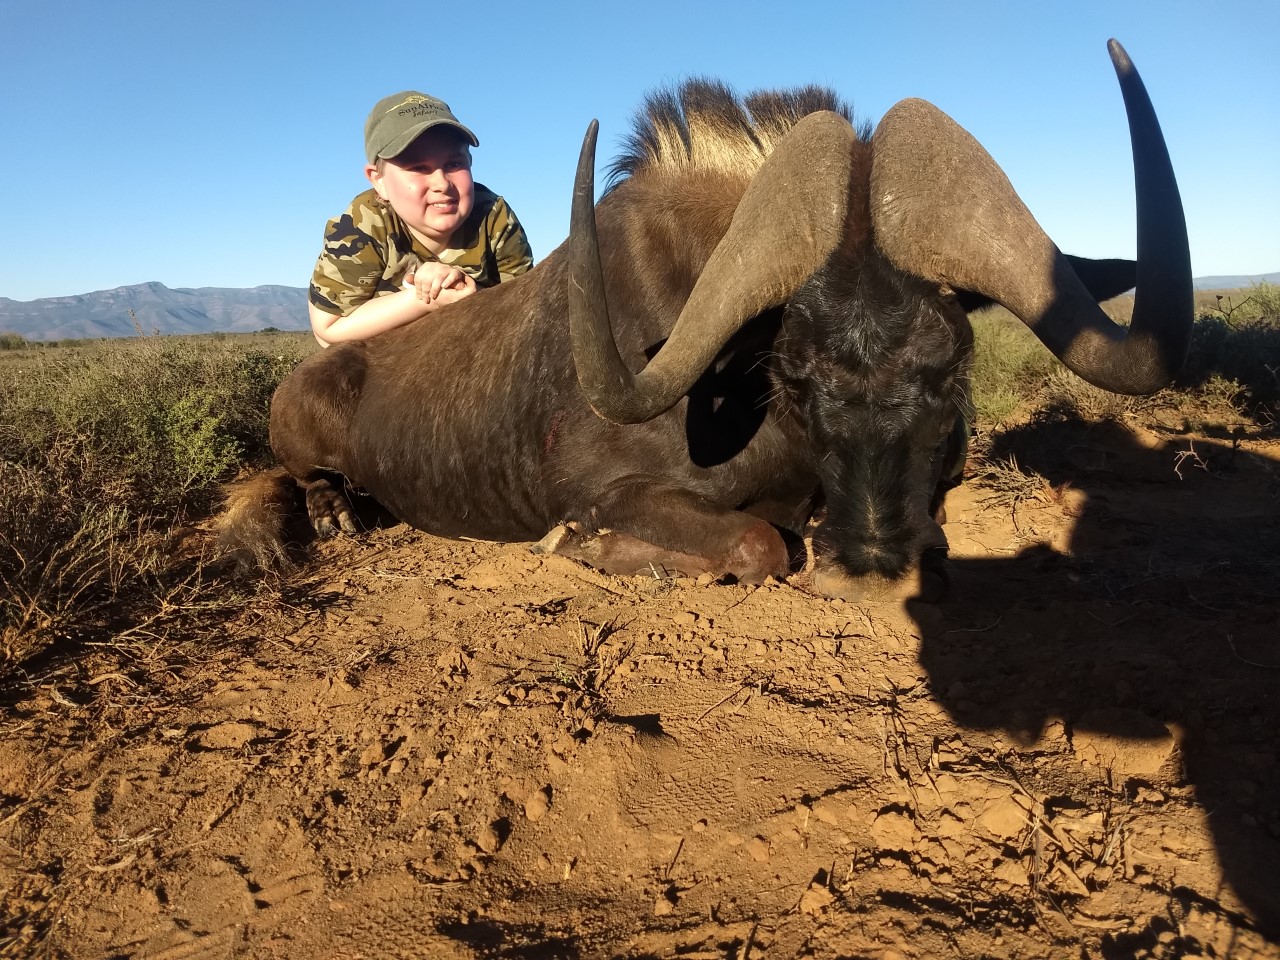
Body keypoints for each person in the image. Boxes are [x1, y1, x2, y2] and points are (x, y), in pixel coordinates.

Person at [308, 91, 534, 347]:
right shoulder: (363, 223)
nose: (441, 183)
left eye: (454, 164)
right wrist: (421, 299)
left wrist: (470, 294)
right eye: (418, 168)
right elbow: (328, 329)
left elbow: (523, 310)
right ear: (378, 180)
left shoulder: (494, 216)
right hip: (381, 358)